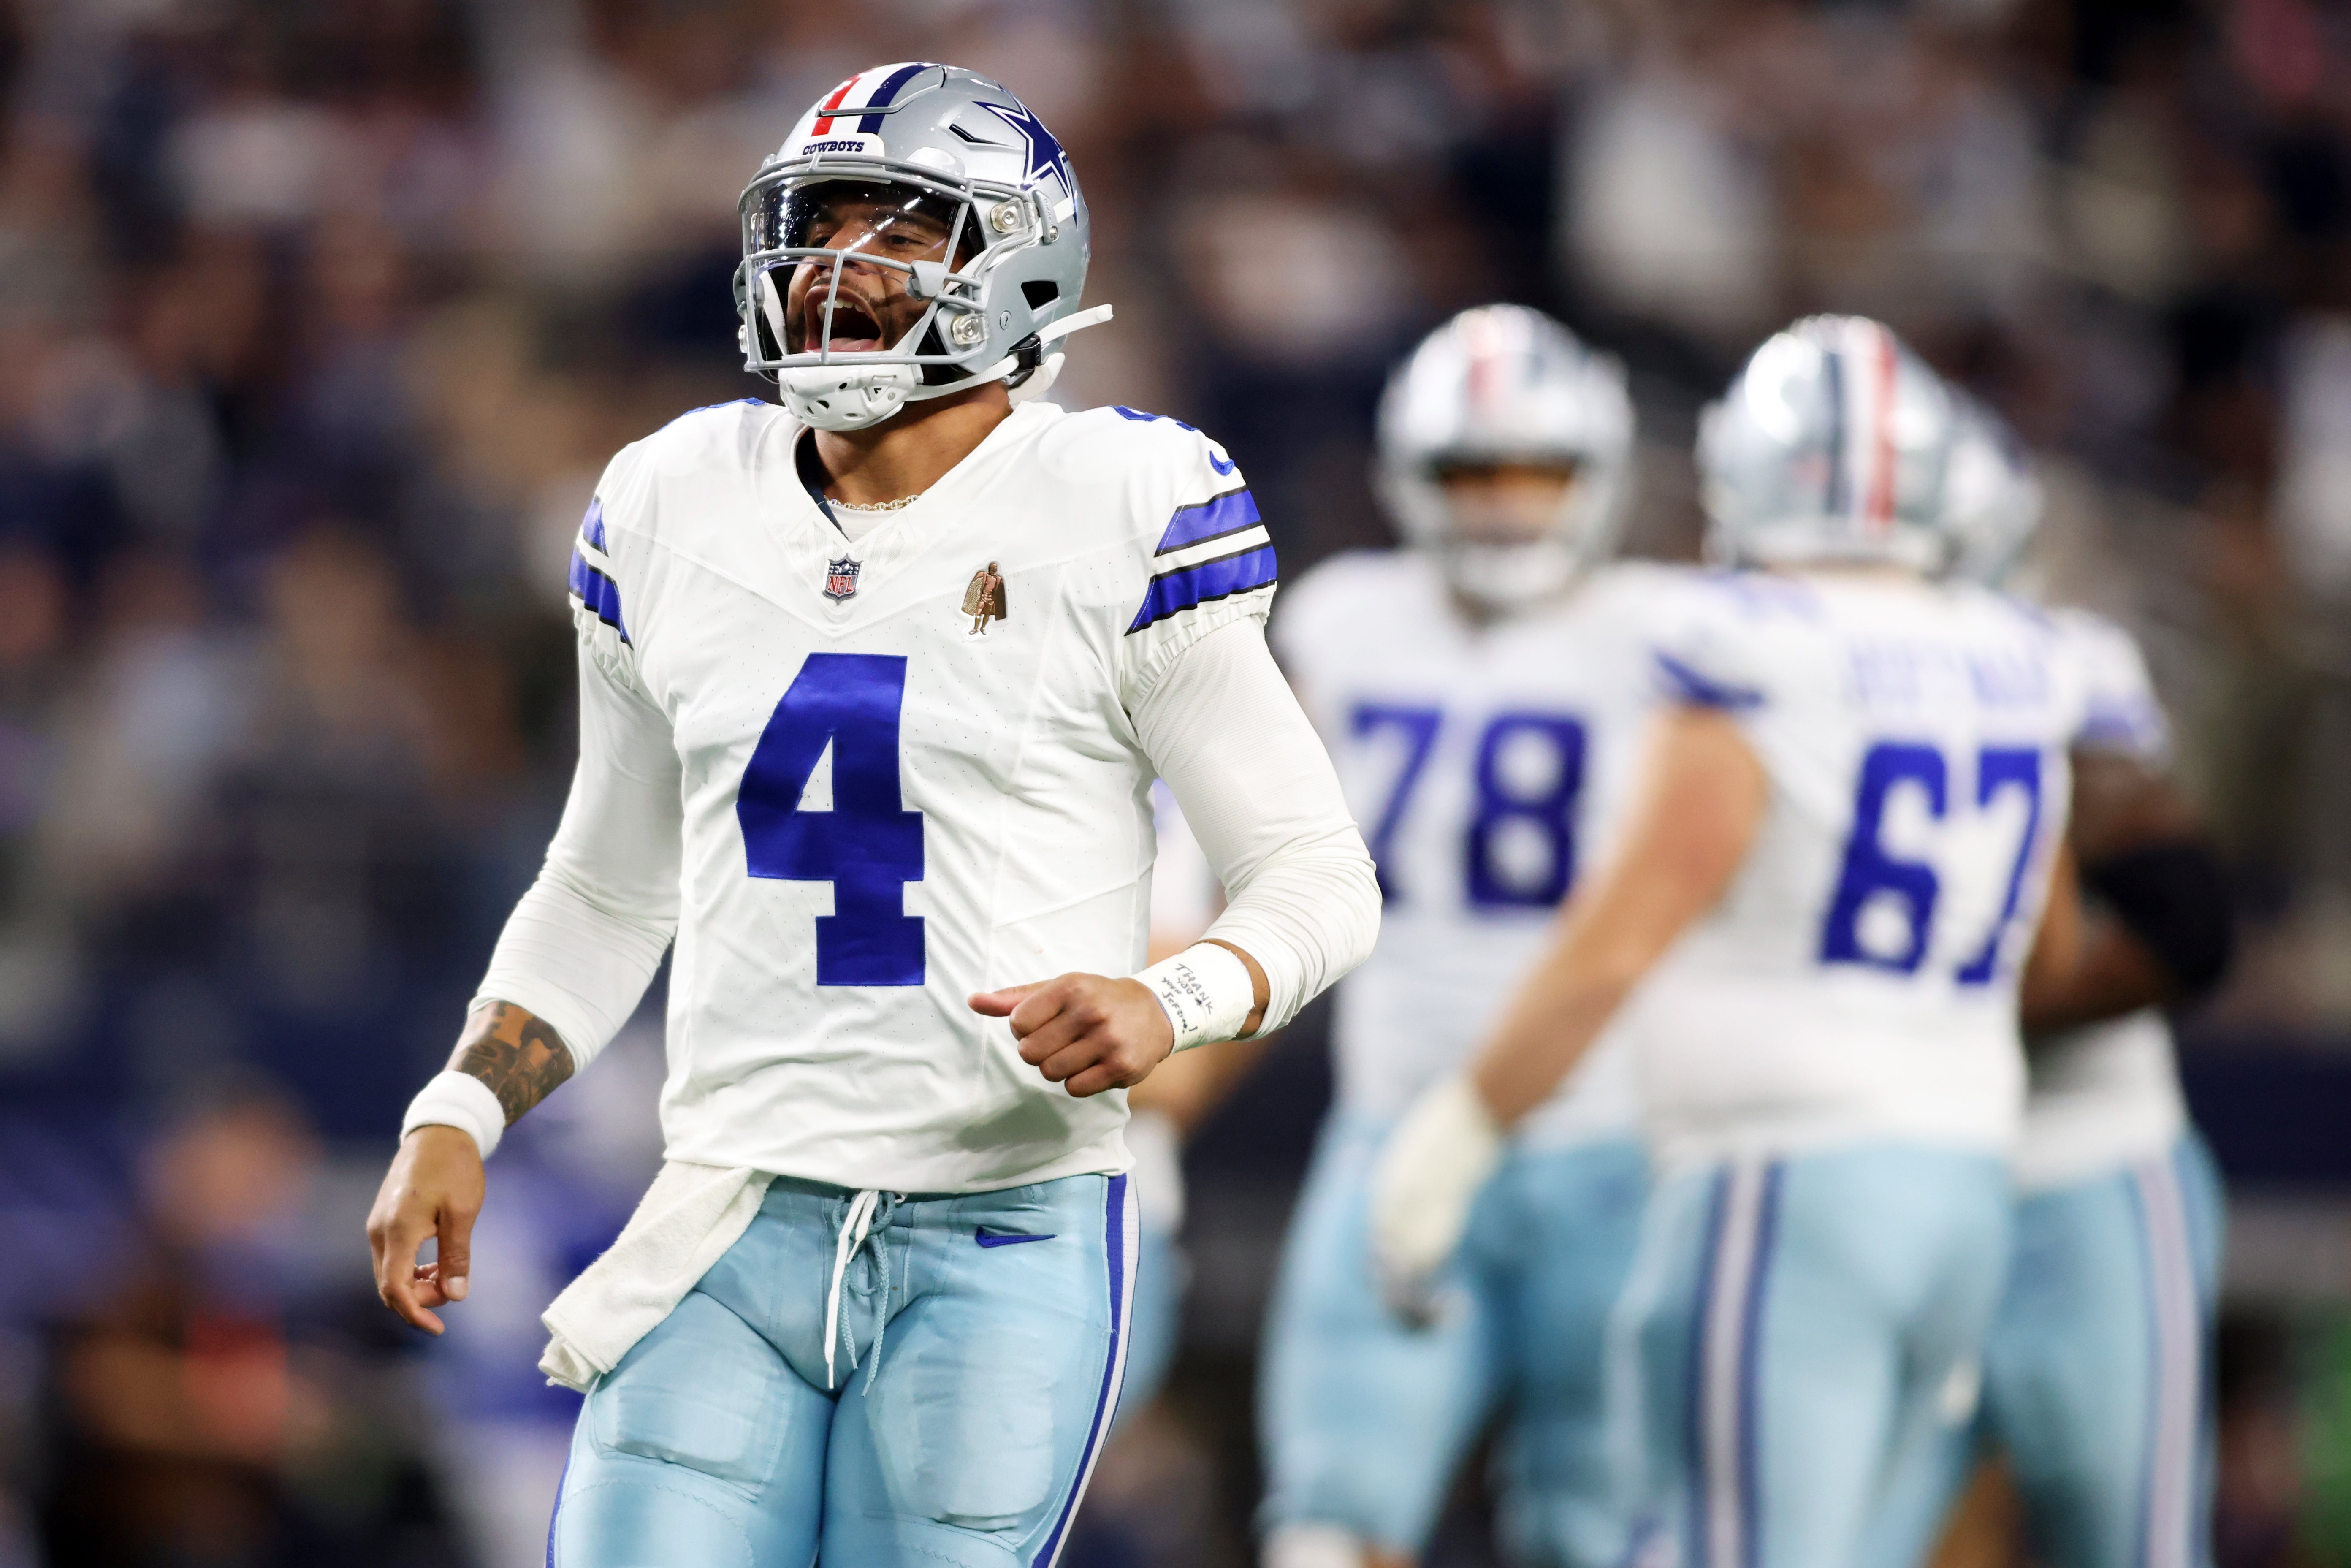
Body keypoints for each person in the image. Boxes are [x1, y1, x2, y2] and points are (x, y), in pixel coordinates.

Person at [362, 63, 1380, 1568]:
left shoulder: (1120, 497)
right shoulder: (670, 500)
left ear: (1017, 262)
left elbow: (1315, 873)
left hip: (1001, 1228)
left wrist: (1174, 998)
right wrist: (459, 1104)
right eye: (815, 225)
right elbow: (607, 881)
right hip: (725, 1211)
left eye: (897, 229)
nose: (837, 270)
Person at [1369, 315, 2091, 1568]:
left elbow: (1616, 941)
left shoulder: (1749, 641)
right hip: (1967, 1176)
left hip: (1785, 1174)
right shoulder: (2020, 653)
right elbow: (2052, 949)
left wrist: (1459, 1128)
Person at [1258, 304, 1655, 1568]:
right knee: (1327, 1523)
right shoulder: (1344, 620)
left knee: (1608, 1530)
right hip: (1392, 1112)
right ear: (1407, 478)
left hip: (1615, 1140)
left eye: (1535, 472)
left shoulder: (1672, 637)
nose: (1502, 506)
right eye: (1471, 472)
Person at [1863, 402, 2233, 1568]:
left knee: (2129, 1539)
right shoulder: (1763, 667)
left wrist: (1951, 998)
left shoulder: (2062, 666)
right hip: (1880, 1174)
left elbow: (2185, 925)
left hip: (2081, 1170)